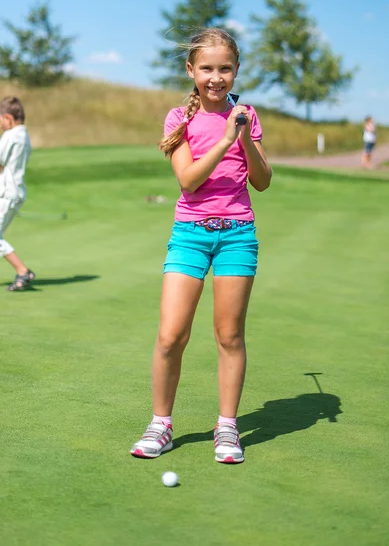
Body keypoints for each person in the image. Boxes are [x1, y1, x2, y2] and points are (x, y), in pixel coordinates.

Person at [130, 28, 272, 464]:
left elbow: (262, 182)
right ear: (191, 70)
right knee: (171, 334)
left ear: (236, 71)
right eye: (206, 68)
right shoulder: (179, 118)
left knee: (229, 335)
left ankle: (226, 427)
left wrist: (244, 135)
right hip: (191, 234)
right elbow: (188, 180)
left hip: (237, 235)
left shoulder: (248, 116)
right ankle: (161, 423)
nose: (216, 77)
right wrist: (227, 139)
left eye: (224, 68)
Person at [0, 96, 35, 291]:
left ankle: (23, 271)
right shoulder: (24, 136)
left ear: (8, 118)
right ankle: (23, 272)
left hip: (7, 193)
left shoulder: (11, 136)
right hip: (13, 191)